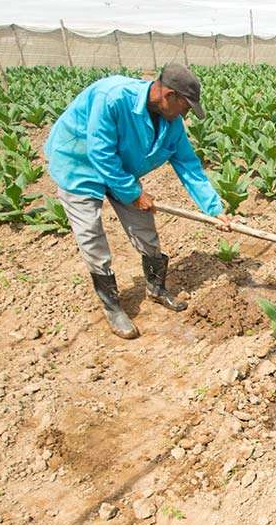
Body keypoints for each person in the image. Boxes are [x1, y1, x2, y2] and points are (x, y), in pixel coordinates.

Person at [45, 63, 231, 339]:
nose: (187, 113)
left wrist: (214, 209)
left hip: (121, 168)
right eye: (186, 106)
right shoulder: (113, 97)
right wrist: (133, 193)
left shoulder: (172, 125)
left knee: (144, 227)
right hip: (78, 162)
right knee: (91, 234)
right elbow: (100, 152)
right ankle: (113, 307)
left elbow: (189, 166)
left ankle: (156, 288)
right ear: (169, 96)